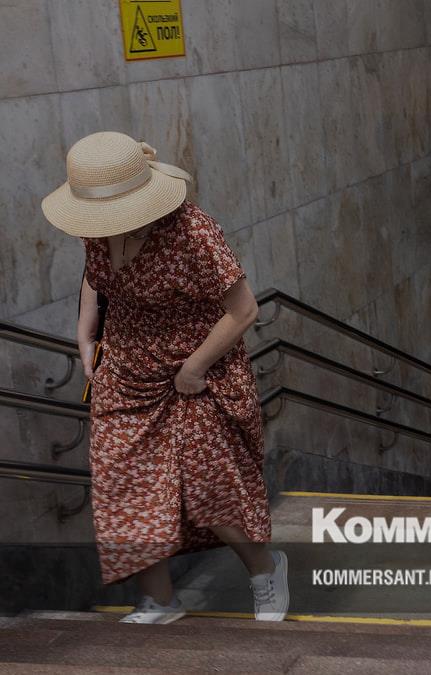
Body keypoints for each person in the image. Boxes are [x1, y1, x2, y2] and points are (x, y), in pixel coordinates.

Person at [41, 132, 287, 624]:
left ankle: (266, 570)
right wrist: (86, 327)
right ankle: (160, 601)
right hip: (126, 374)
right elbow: (95, 274)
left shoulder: (193, 231)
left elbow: (244, 310)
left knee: (208, 486)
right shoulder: (96, 225)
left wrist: (194, 368)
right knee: (125, 486)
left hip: (196, 370)